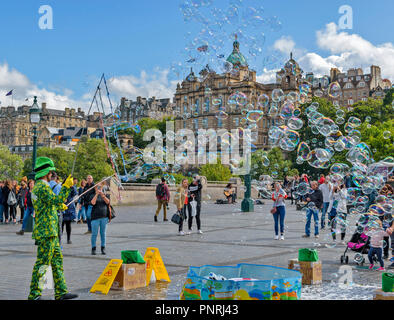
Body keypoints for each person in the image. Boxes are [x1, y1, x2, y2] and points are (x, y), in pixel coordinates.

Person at [28, 156, 78, 300]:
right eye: (51, 171)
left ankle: (61, 292)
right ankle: (34, 295)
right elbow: (56, 199)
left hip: (51, 230)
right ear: (46, 172)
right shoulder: (42, 186)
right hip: (47, 231)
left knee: (57, 262)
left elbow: (50, 203)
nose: (52, 174)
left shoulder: (40, 186)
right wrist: (66, 187)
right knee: (42, 264)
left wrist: (57, 205)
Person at [90, 181, 111, 255]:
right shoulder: (92, 195)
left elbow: (108, 202)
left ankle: (103, 247)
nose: (99, 188)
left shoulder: (105, 194)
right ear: (95, 188)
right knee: (94, 234)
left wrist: (102, 195)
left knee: (103, 233)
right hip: (95, 217)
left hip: (104, 217)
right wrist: (96, 194)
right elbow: (92, 203)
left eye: (100, 187)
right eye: (97, 187)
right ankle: (93, 248)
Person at [62, 178, 78, 244]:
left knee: (68, 224)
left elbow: (75, 193)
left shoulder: (72, 187)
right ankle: (59, 238)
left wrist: (72, 187)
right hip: (62, 206)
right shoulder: (62, 186)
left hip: (69, 208)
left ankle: (68, 239)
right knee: (61, 224)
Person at [49, 172, 62, 244]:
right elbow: (62, 199)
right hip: (57, 210)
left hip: (48, 210)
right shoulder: (58, 186)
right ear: (56, 178)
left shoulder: (45, 186)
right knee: (58, 228)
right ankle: (58, 245)